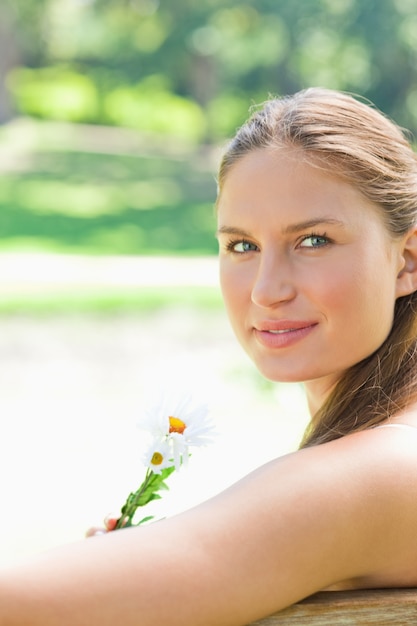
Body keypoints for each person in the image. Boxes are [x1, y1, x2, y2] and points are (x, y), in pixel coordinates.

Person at [2, 87, 417, 625]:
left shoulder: (378, 473)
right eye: (242, 246)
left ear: (407, 260)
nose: (267, 290)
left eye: (313, 241)